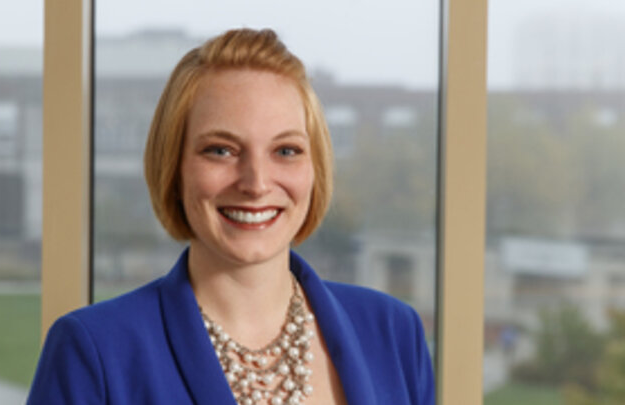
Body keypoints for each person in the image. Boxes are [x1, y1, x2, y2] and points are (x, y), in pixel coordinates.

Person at [27, 28, 434, 405]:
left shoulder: (394, 334)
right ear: (174, 167)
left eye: (286, 151)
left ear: (315, 167)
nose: (256, 183)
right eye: (221, 150)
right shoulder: (95, 352)